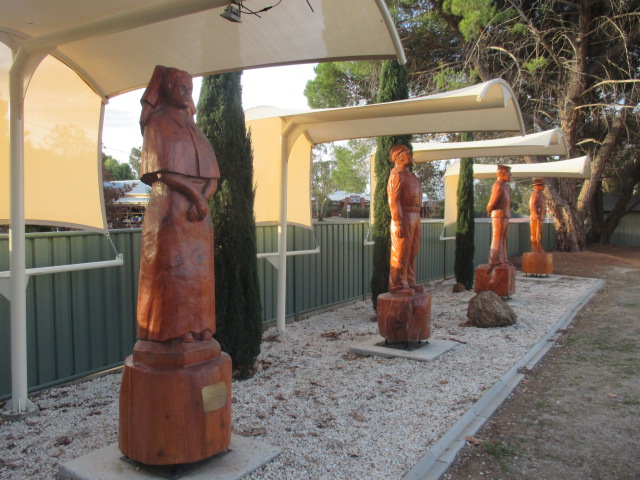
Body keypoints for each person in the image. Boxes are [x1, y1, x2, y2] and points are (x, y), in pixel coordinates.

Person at [136, 66, 220, 343]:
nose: (186, 93)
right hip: (171, 209)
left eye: (189, 88)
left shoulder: (194, 129)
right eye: (180, 88)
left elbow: (212, 176)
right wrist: (197, 197)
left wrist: (204, 198)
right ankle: (175, 329)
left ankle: (201, 327)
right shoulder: (157, 122)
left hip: (198, 216)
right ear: (167, 90)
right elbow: (163, 172)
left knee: (200, 274)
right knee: (174, 271)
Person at [387, 144, 424, 295]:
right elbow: (393, 200)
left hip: (415, 215)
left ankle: (409, 280)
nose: (411, 155)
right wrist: (398, 220)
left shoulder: (410, 175)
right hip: (404, 216)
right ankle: (397, 284)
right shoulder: (397, 174)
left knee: (412, 251)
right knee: (401, 252)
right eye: (408, 153)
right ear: (399, 156)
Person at [486, 164, 512, 266]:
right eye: (509, 173)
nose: (510, 176)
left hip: (504, 214)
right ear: (502, 173)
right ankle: (495, 260)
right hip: (498, 215)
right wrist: (489, 210)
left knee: (503, 238)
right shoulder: (497, 185)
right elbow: (492, 202)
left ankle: (503, 259)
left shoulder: (504, 186)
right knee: (497, 238)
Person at [529, 178, 546, 253]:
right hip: (536, 217)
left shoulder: (541, 194)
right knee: (535, 233)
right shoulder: (535, 194)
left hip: (541, 217)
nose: (543, 187)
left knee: (539, 234)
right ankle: (534, 247)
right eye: (542, 185)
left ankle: (538, 247)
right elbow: (532, 204)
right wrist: (535, 213)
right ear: (537, 186)